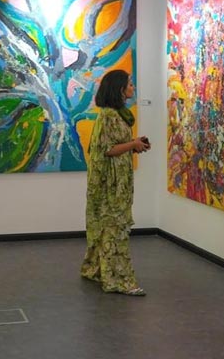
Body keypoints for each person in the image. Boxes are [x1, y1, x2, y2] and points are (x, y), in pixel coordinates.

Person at [80, 69, 150, 296]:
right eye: (130, 84)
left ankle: (97, 269)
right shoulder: (109, 116)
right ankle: (119, 280)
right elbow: (108, 149)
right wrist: (132, 145)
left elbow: (114, 145)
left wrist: (134, 144)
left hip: (117, 181)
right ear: (119, 89)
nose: (133, 87)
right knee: (114, 230)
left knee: (108, 228)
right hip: (110, 185)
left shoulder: (116, 114)